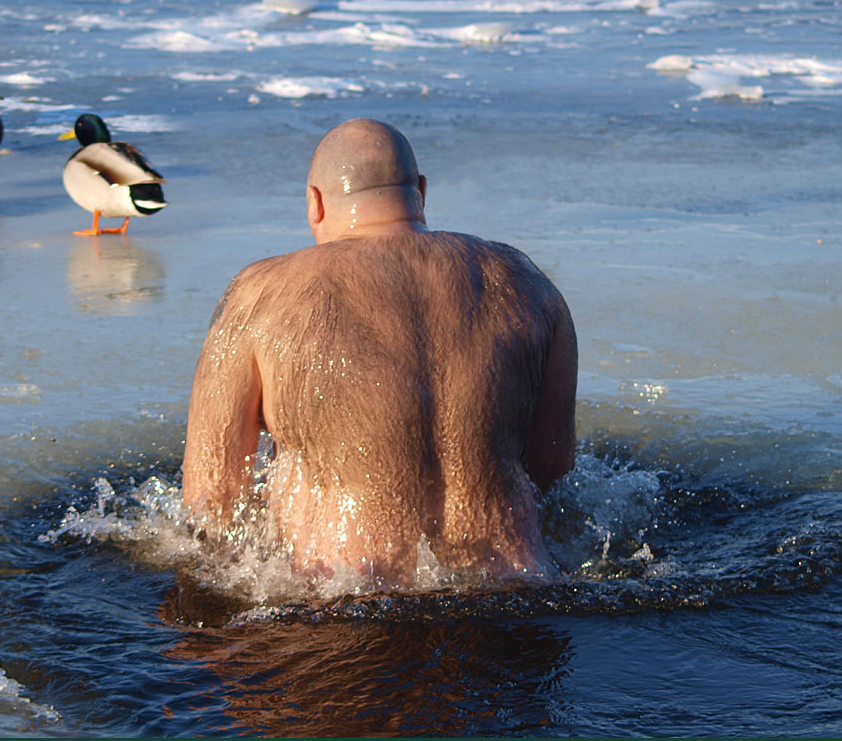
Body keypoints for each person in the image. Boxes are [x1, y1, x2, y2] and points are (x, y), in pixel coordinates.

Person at [182, 118, 577, 586]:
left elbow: (213, 497)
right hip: (515, 600)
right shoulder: (529, 284)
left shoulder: (259, 296)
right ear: (422, 192)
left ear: (315, 202)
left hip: (342, 606)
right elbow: (551, 463)